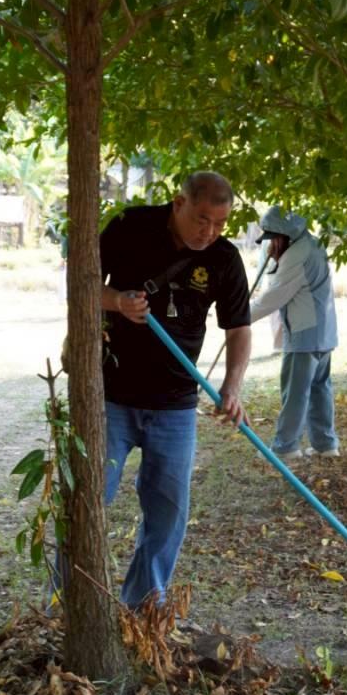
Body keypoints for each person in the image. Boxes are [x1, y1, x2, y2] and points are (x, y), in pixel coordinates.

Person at [97, 171, 251, 609]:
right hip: (111, 396)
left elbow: (239, 328)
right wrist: (118, 302)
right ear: (178, 203)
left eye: (220, 224)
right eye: (202, 219)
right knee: (89, 503)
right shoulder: (130, 225)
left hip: (176, 406)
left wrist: (233, 387)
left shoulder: (223, 258)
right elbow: (82, 283)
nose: (210, 232)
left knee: (167, 517)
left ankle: (143, 607)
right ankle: (74, 606)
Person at [249, 206, 339, 460]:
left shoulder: (296, 255)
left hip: (304, 334)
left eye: (272, 240)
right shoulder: (311, 244)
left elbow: (272, 298)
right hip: (323, 332)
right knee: (320, 388)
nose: (271, 246)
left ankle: (286, 447)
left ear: (282, 236)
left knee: (295, 392)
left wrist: (238, 318)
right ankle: (325, 444)